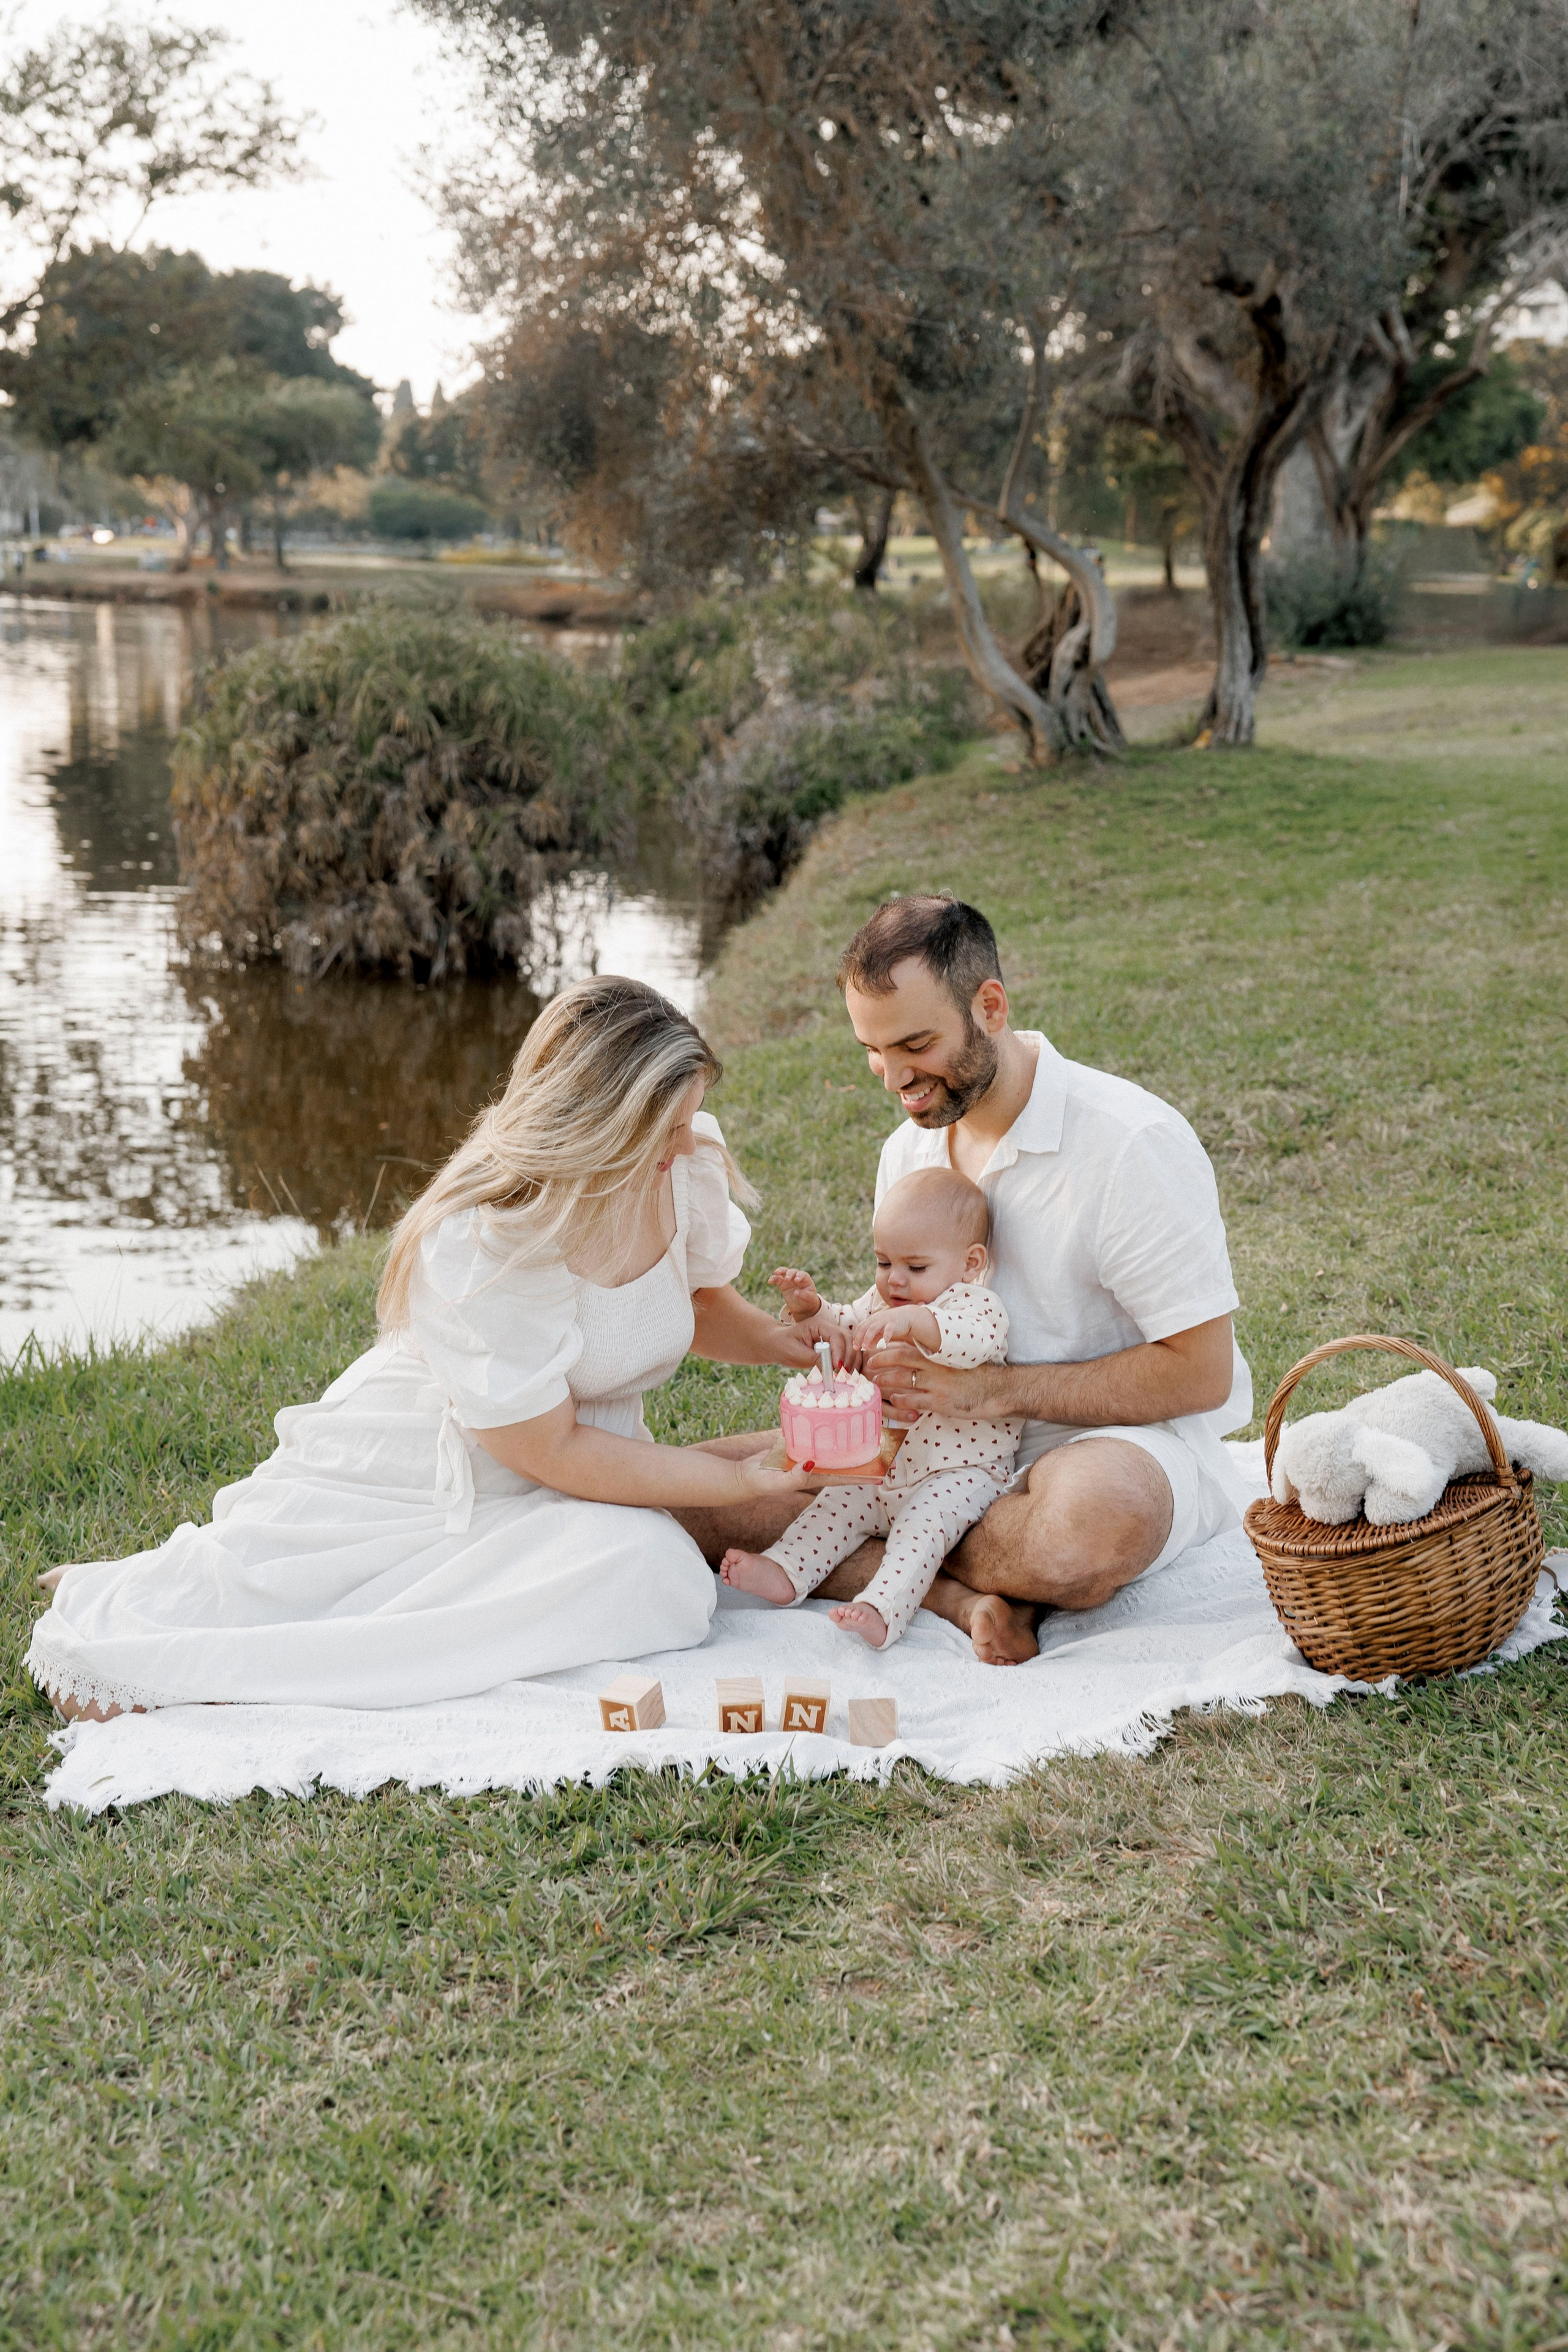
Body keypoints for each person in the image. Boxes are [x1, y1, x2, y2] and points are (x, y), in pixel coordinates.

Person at [28, 978, 812, 1722]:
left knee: (658, 1579)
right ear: (596, 1124)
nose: (687, 1142)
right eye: (666, 1127)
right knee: (654, 1573)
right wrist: (736, 1479)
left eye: (687, 1117)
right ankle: (230, 1656)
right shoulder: (489, 1239)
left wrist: (783, 1343)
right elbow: (551, 1448)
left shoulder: (677, 1160)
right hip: (443, 1478)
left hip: (579, 1466)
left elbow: (691, 1298)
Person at [673, 895, 1254, 1665]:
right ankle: (961, 1595)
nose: (894, 1079)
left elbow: (1202, 1374)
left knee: (1084, 1531)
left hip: (1098, 1448)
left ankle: (914, 1559)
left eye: (915, 1044)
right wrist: (860, 1362)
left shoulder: (1128, 1143)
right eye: (873, 1050)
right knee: (683, 1493)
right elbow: (898, 1312)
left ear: (990, 1007)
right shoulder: (907, 1154)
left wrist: (990, 1392)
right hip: (925, 1451)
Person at [718, 1166, 1022, 1651]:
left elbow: (970, 1343)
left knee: (919, 1534)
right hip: (886, 1461)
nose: (894, 1279)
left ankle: (883, 1609)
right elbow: (846, 1325)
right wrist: (811, 1309)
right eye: (883, 1262)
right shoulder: (884, 1302)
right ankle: (785, 1570)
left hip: (959, 1472)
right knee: (834, 1505)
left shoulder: (977, 1306)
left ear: (970, 1263)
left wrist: (916, 1321)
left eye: (916, 1268)